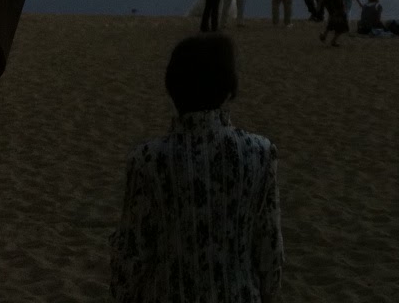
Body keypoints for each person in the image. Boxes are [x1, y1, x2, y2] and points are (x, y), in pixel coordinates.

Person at [109, 34, 283, 302]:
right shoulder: (260, 152)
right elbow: (269, 245)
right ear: (228, 89)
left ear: (173, 87)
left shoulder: (148, 159)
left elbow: (132, 252)